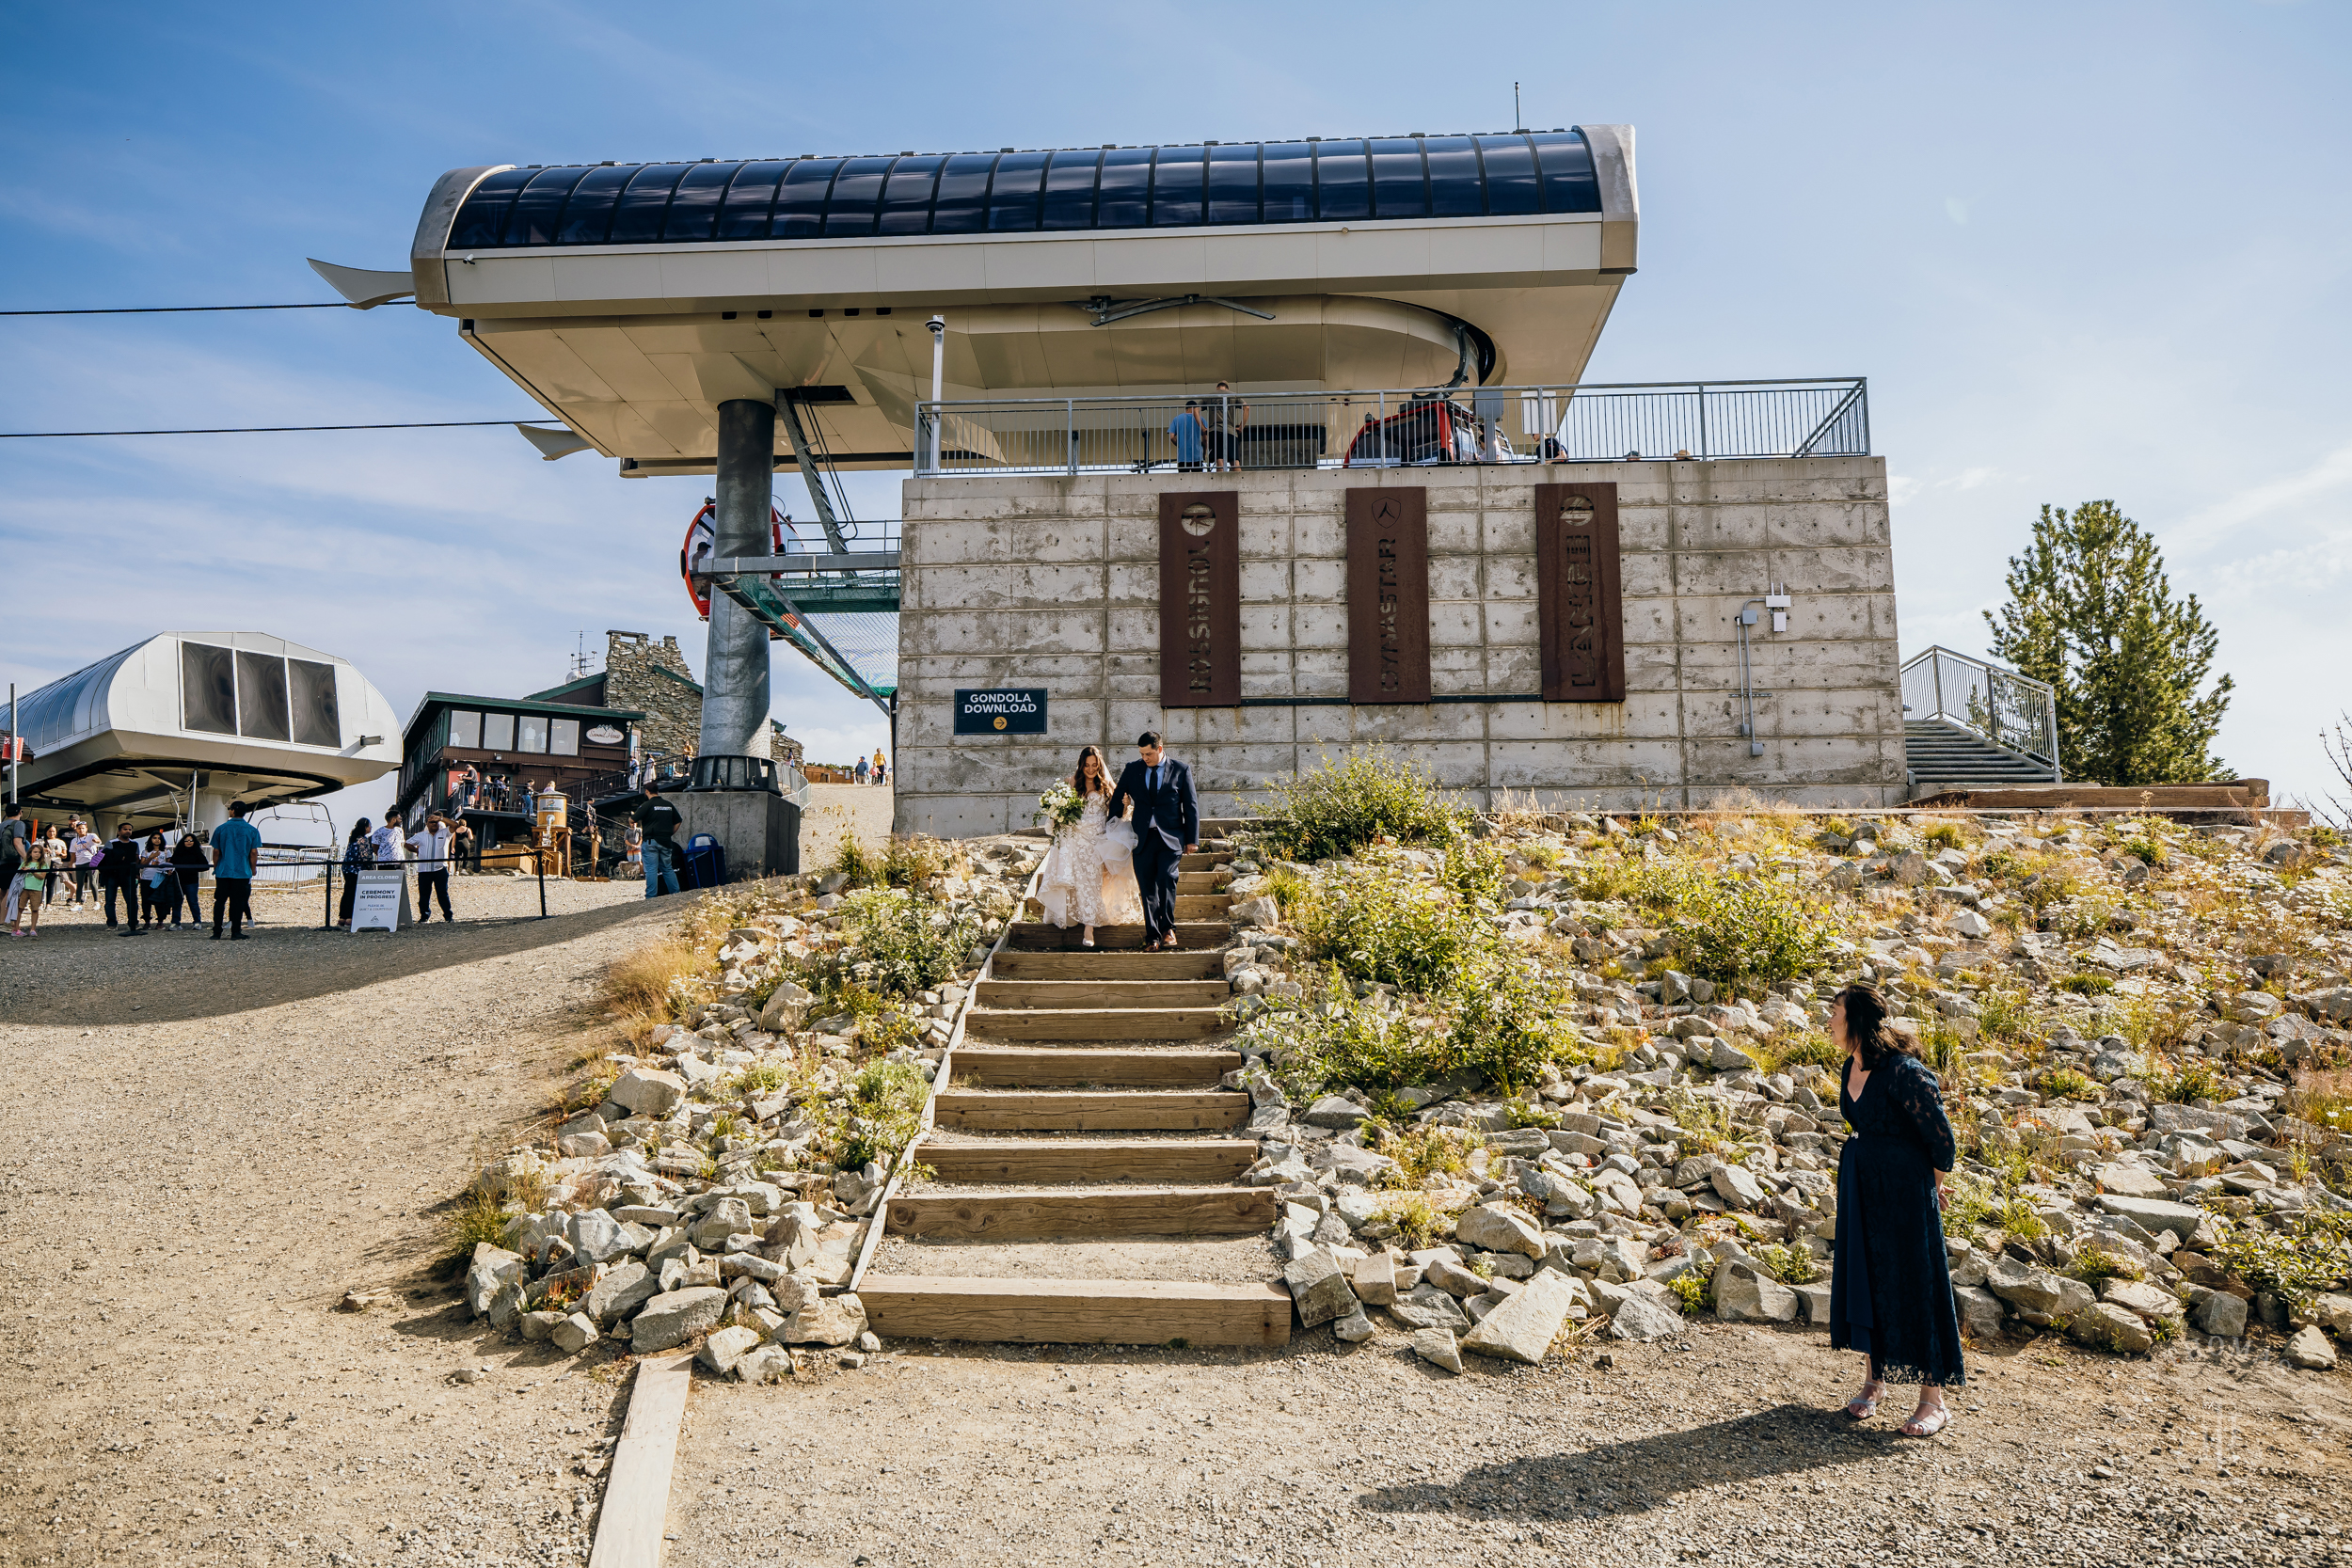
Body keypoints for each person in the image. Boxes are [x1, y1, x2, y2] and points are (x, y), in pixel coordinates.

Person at [1828, 981, 1965, 1436]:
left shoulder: (1905, 1071)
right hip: (1862, 1186)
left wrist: (1929, 1190)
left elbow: (1942, 1144)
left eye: (1836, 1013)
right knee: (1868, 1277)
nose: (1830, 1021)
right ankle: (1874, 1381)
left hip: (1905, 1194)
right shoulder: (1852, 1063)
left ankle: (1934, 1401)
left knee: (1915, 1284)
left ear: (1857, 1021)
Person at [1038, 745, 1145, 948]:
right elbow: (1061, 809)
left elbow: (1118, 813)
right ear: (1081, 765)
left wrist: (1125, 803)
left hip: (1097, 839)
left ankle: (1089, 926)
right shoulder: (1071, 782)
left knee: (1094, 882)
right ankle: (1074, 916)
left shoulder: (1107, 785)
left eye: (1094, 765)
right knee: (1078, 881)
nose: (1090, 769)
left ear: (1099, 765)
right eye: (1087, 765)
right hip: (1076, 839)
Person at [1105, 730, 1198, 950]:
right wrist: (1111, 826)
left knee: (1166, 877)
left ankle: (1168, 930)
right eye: (1141, 754)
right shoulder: (1133, 769)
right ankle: (1153, 937)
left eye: (1148, 754)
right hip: (1143, 838)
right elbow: (1118, 796)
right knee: (1147, 887)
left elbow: (1191, 805)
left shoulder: (1181, 770)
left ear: (1160, 749)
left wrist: (1192, 839)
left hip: (1172, 838)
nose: (1144, 758)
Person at [210, 800, 262, 940]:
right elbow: (253, 852)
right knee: (238, 902)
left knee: (220, 901)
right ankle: (236, 931)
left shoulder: (221, 829)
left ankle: (216, 931)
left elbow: (216, 851)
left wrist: (216, 866)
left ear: (232, 811)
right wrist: (253, 869)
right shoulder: (252, 830)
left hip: (223, 870)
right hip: (242, 871)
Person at [637, 783, 683, 897]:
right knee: (667, 868)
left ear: (647, 791)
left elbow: (632, 820)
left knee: (651, 869)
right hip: (666, 841)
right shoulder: (668, 805)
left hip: (650, 841)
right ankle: (676, 893)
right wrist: (670, 833)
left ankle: (651, 897)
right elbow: (678, 821)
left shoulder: (647, 805)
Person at [8, 828, 56, 937]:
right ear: (30, 853)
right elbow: (18, 875)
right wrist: (24, 871)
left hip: (37, 889)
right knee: (19, 908)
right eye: (35, 852)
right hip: (24, 888)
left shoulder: (43, 865)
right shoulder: (25, 863)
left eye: (39, 852)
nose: (37, 854)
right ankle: (16, 929)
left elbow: (42, 877)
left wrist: (32, 871)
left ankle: (33, 928)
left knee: (35, 909)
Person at [99, 823, 145, 932]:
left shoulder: (134, 844)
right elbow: (104, 858)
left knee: (132, 900)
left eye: (129, 829)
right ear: (119, 831)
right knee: (110, 900)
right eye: (125, 829)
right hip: (112, 874)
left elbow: (136, 858)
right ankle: (111, 924)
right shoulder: (111, 843)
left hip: (128, 874)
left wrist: (136, 873)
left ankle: (133, 923)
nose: (127, 831)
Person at [414, 812, 455, 922]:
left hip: (440, 867)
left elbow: (454, 826)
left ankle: (448, 915)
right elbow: (409, 843)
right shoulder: (424, 834)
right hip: (425, 868)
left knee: (442, 892)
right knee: (424, 894)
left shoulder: (443, 830)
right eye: (431, 822)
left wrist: (441, 819)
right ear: (427, 823)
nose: (433, 823)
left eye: (435, 821)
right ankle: (425, 916)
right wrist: (418, 851)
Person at [338, 818, 375, 927]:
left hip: (347, 868)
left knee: (347, 892)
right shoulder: (362, 840)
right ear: (365, 827)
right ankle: (350, 917)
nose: (371, 828)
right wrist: (372, 869)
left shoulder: (352, 839)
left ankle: (342, 917)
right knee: (354, 893)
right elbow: (366, 857)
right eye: (369, 825)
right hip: (357, 869)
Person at [1203, 381, 1248, 471]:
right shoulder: (1233, 395)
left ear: (1217, 387)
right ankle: (1239, 482)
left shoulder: (1209, 396)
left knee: (1219, 459)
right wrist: (1241, 427)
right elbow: (1247, 407)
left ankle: (1220, 483)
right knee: (1234, 460)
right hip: (1230, 431)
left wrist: (1203, 427)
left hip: (1214, 431)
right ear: (1227, 388)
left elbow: (1195, 408)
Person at [139, 831, 176, 927]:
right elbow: (142, 865)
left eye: (159, 838)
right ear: (151, 840)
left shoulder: (166, 852)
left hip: (160, 878)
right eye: (154, 838)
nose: (157, 840)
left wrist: (169, 871)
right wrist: (150, 858)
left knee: (160, 900)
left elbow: (170, 864)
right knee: (146, 900)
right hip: (147, 878)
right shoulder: (146, 852)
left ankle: (160, 920)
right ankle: (147, 920)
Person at [170, 829, 207, 925]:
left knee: (193, 902)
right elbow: (172, 864)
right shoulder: (178, 852)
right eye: (186, 840)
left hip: (192, 881)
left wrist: (193, 869)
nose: (189, 842)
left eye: (191, 840)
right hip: (179, 881)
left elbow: (205, 866)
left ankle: (197, 921)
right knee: (177, 902)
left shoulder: (198, 853)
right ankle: (175, 921)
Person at [1, 802, 26, 928]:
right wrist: (27, 858)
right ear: (20, 812)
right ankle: (3, 922)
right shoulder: (18, 824)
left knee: (2, 891)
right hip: (11, 861)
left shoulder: (1, 825)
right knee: (10, 892)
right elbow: (17, 843)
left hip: (1, 861)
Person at [68, 818, 100, 905]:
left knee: (92, 882)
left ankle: (96, 902)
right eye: (79, 828)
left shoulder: (91, 835)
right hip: (79, 863)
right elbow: (73, 854)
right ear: (76, 830)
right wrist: (71, 864)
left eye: (83, 828)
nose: (81, 830)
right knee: (80, 883)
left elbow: (98, 841)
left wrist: (96, 841)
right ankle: (78, 902)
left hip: (91, 861)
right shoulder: (74, 840)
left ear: (86, 828)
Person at [1168, 400, 1205, 472]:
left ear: (1186, 408)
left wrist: (1179, 445)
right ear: (1195, 408)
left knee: (1183, 480)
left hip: (1182, 456)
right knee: (1198, 480)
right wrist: (1204, 451)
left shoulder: (1177, 419)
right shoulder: (1201, 419)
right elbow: (1205, 438)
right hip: (1197, 455)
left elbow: (1172, 437)